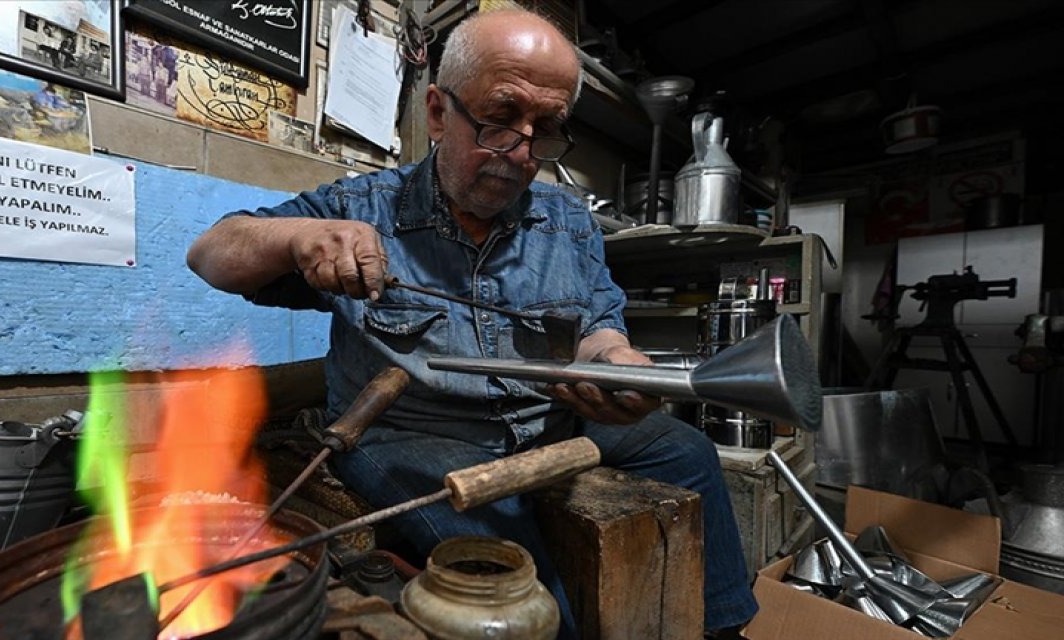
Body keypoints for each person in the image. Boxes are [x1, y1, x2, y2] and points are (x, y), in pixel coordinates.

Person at [186, 9, 757, 638]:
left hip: (546, 422)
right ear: (437, 111)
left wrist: (614, 365)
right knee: (512, 584)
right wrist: (302, 236)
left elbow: (599, 327)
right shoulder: (361, 208)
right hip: (412, 436)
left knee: (687, 450)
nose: (520, 152)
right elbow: (211, 252)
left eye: (546, 131)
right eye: (500, 119)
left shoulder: (567, 219)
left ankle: (724, 629)